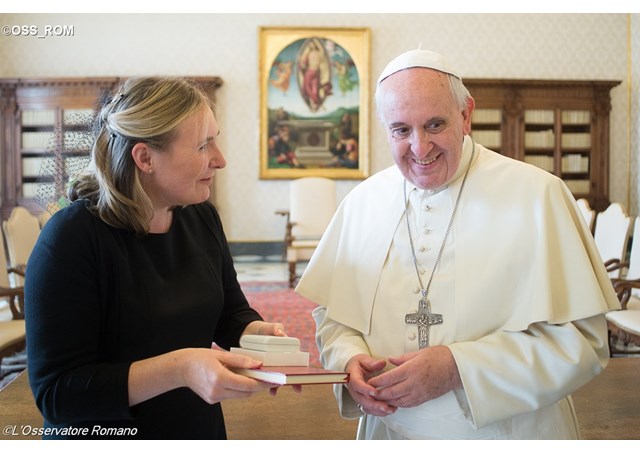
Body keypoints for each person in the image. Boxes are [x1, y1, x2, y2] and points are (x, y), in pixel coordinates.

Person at [296, 49, 620, 440]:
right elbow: (335, 320)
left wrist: (458, 366)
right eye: (401, 130)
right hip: (389, 432)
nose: (419, 147)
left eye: (435, 124)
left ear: (465, 116)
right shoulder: (362, 203)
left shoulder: (538, 195)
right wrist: (349, 361)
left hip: (510, 433)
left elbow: (581, 342)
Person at [25, 77, 290, 439]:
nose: (220, 159)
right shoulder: (71, 239)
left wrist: (258, 333)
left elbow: (229, 313)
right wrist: (181, 368)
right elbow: (58, 396)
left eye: (215, 140)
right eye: (203, 145)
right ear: (145, 157)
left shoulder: (201, 217)